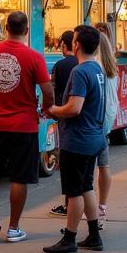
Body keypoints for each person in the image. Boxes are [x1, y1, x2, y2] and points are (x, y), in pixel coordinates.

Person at [0, 11, 54, 243]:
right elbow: (48, 91)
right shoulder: (34, 57)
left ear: (6, 27)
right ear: (26, 30)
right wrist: (45, 110)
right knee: (20, 177)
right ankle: (14, 228)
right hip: (24, 126)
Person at [43, 25, 105, 253]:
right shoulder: (96, 69)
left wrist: (53, 109)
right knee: (87, 186)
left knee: (74, 191)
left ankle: (69, 238)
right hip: (92, 138)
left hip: (77, 139)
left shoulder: (80, 72)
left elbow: (74, 107)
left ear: (76, 44)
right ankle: (94, 235)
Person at [48, 30, 79, 218]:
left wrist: (50, 109)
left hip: (63, 116)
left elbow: (52, 89)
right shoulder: (83, 65)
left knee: (66, 163)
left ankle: (68, 203)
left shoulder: (59, 66)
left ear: (64, 46)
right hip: (82, 121)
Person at [93, 21, 119, 222]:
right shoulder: (112, 67)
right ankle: (102, 205)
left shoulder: (94, 68)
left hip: (94, 122)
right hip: (107, 121)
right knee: (104, 165)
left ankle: (92, 209)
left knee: (87, 170)